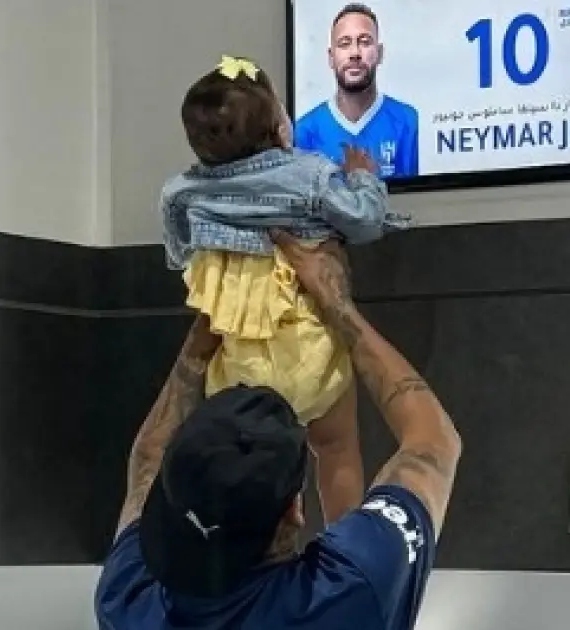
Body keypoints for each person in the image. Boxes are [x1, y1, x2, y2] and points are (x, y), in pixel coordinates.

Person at [95, 232, 462, 630]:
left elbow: (146, 459)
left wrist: (207, 332)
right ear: (294, 512)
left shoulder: (128, 600)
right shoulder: (353, 585)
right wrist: (339, 308)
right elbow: (433, 443)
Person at [160, 54, 411, 524]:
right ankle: (344, 543)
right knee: (336, 448)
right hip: (307, 349)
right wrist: (362, 176)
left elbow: (180, 256)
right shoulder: (309, 173)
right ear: (278, 129)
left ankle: (257, 549)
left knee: (250, 465)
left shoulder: (183, 192)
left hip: (239, 363)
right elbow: (363, 220)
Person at [295, 3, 419, 179]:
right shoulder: (304, 130)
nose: (354, 53)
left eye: (365, 42)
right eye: (344, 44)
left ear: (380, 53)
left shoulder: (407, 120)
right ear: (331, 57)